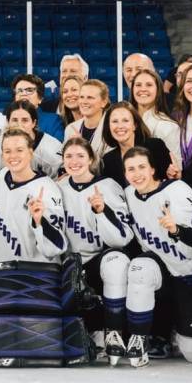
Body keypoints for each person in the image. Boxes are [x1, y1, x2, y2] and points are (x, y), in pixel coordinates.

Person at [120, 146, 192, 367]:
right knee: (139, 267)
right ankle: (139, 341)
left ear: (153, 168)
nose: (137, 174)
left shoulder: (177, 190)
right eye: (131, 169)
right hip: (163, 273)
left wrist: (176, 231)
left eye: (142, 167)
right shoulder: (128, 195)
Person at [56, 137, 132, 352]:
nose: (74, 161)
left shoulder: (107, 186)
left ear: (91, 159)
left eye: (80, 155)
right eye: (69, 156)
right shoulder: (58, 188)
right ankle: (92, 331)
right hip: (70, 262)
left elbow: (122, 238)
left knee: (116, 261)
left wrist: (102, 211)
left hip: (100, 258)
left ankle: (114, 332)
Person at [0, 129, 66, 265]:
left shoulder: (47, 189)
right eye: (7, 151)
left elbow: (57, 247)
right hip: (7, 269)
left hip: (38, 273)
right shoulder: (1, 176)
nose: (13, 156)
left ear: (30, 152)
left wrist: (40, 221)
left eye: (19, 150)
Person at [0, 102, 62, 180]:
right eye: (15, 120)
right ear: (8, 122)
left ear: (34, 123)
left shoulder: (51, 150)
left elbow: (61, 184)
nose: (19, 125)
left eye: (25, 120)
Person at [98, 102, 172, 188]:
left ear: (135, 125)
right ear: (108, 126)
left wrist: (173, 177)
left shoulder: (155, 146)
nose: (120, 126)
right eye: (115, 121)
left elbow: (170, 181)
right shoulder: (108, 160)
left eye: (125, 121)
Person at [129, 68, 182, 171]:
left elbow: (176, 168)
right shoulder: (121, 120)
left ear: (158, 90)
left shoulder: (169, 126)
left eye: (149, 85)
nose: (143, 89)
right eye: (138, 85)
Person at [64, 78, 111, 156]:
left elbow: (107, 164)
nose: (84, 102)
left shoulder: (111, 129)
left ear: (104, 102)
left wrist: (82, 146)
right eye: (81, 97)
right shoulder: (70, 129)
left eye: (90, 97)